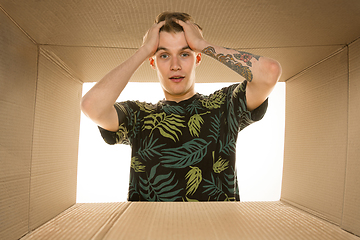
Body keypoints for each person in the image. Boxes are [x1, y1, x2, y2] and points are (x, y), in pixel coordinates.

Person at [81, 12, 281, 201]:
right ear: (152, 62)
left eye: (185, 54)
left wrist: (202, 44)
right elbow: (91, 105)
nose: (175, 65)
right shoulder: (137, 115)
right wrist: (143, 51)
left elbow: (270, 72)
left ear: (198, 58)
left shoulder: (225, 105)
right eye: (164, 55)